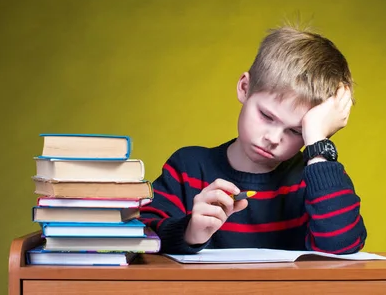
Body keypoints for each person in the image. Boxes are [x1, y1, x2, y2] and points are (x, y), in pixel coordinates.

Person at [139, 25, 367, 254]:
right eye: (267, 116)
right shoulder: (187, 167)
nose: (273, 138)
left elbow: (343, 247)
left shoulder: (318, 178)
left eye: (297, 131)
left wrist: (318, 143)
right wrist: (190, 232)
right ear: (244, 88)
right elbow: (141, 236)